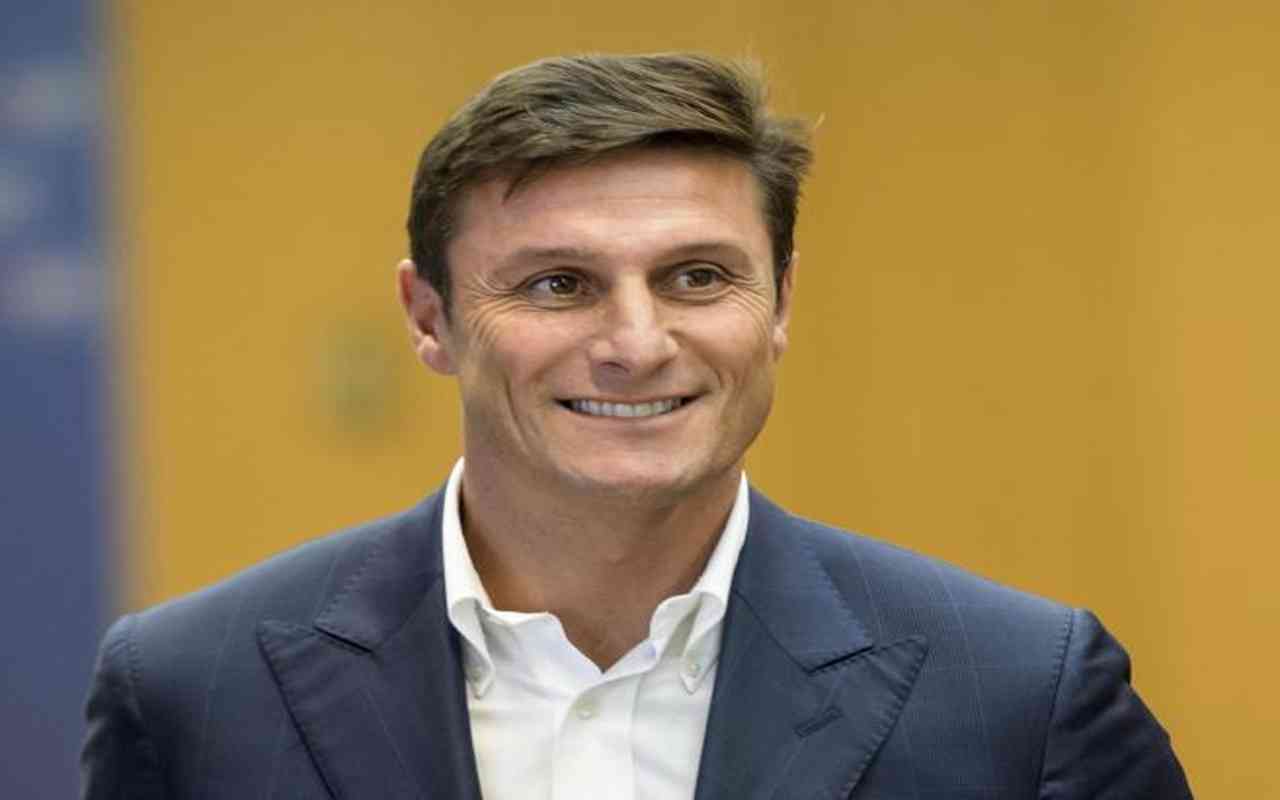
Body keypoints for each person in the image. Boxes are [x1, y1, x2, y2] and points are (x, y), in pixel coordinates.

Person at [81, 53, 1191, 799]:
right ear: (429, 319)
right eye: (557, 284)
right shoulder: (192, 690)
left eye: (697, 276)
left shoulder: (1019, 695)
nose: (636, 341)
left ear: (780, 304)